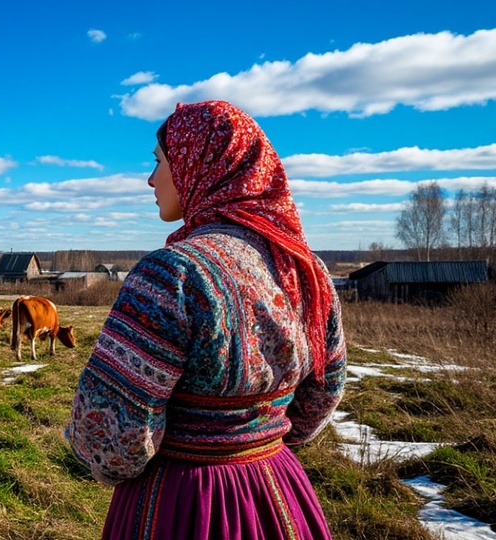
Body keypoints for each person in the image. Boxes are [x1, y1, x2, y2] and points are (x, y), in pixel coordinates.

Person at [64, 100, 346, 540]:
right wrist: (259, 438)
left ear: (200, 164)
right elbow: (321, 396)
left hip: (183, 503)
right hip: (278, 493)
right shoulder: (307, 269)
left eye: (160, 161)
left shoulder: (173, 272)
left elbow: (112, 439)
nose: (151, 179)